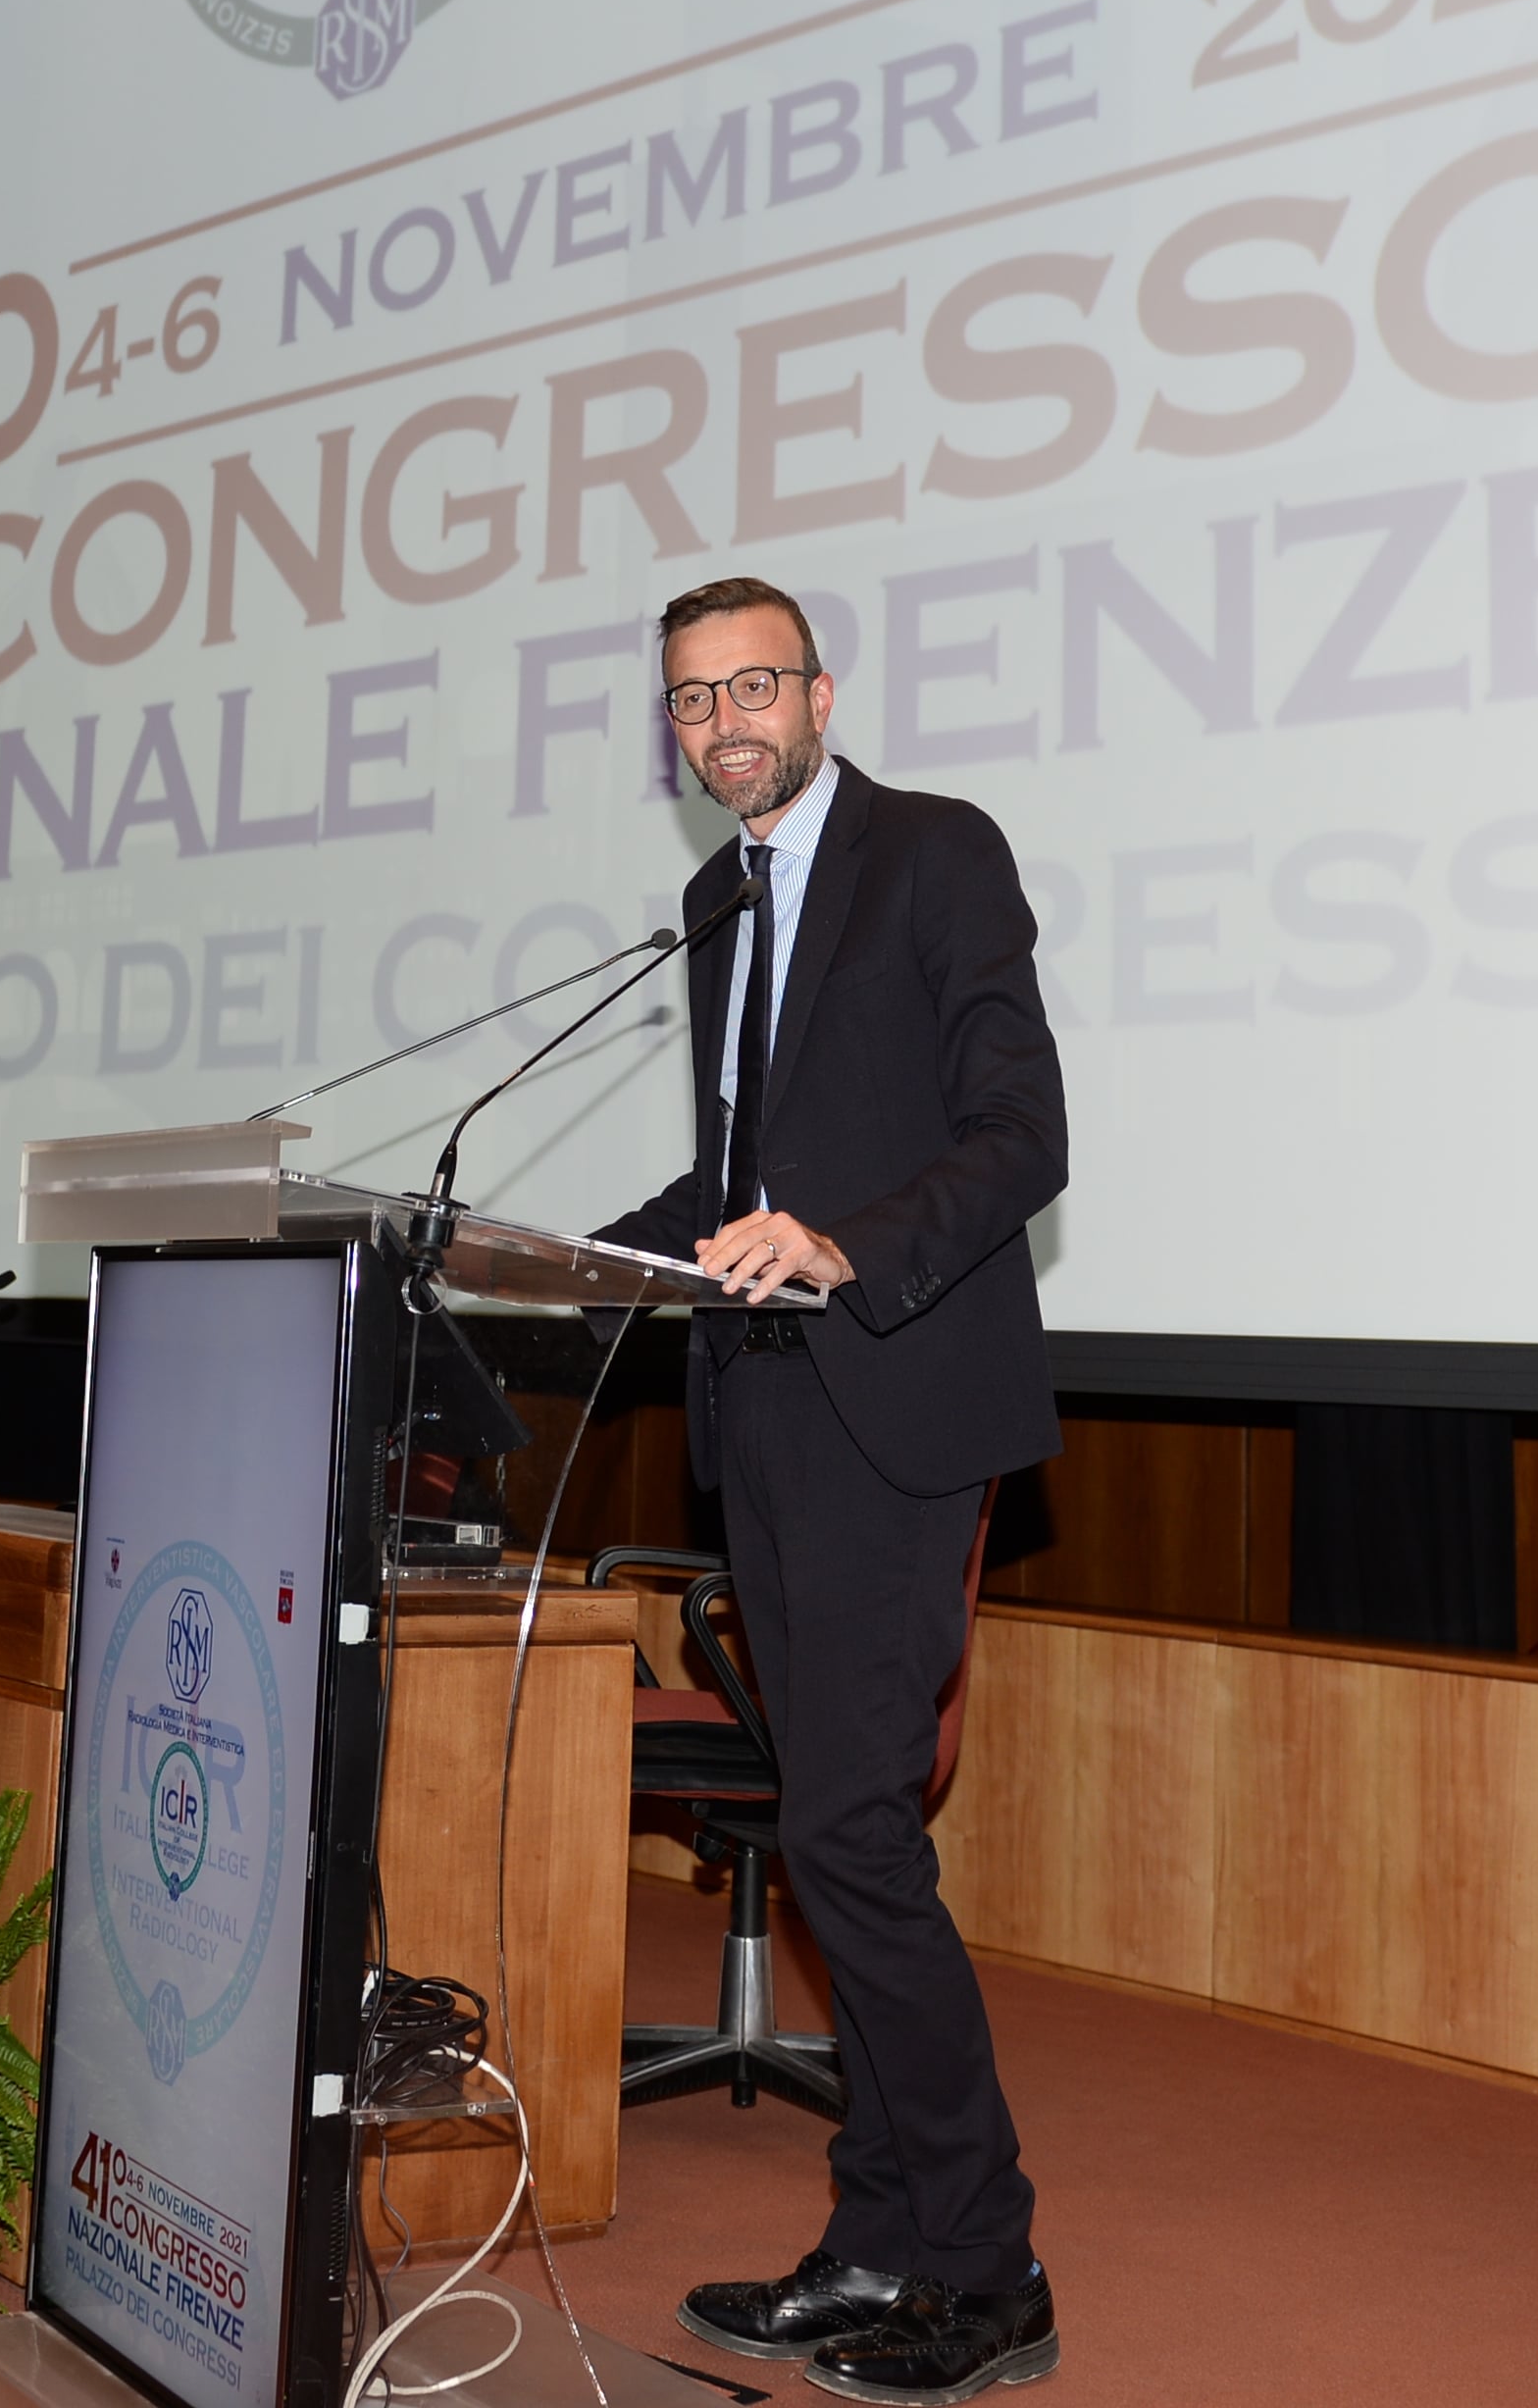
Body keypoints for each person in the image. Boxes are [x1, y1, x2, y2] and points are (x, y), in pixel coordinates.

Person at [594, 573, 1065, 2404]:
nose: (723, 723)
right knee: (834, 1839)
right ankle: (878, 2237)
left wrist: (845, 1246)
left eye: (753, 686)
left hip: (895, 1401)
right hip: (765, 1415)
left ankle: (989, 2266)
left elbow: (1021, 1135)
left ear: (819, 693)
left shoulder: (935, 853)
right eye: (691, 699)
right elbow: (733, 1182)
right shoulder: (718, 903)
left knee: (854, 1841)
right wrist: (547, 1260)